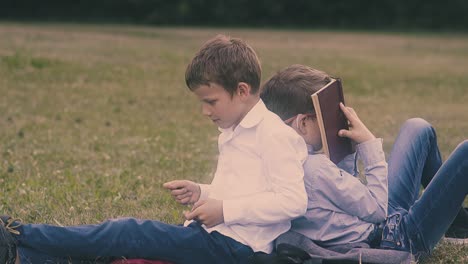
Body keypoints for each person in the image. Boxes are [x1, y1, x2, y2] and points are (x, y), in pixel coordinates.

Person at [0, 35, 309, 264]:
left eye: (210, 101)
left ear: (241, 90)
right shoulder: (234, 130)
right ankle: (23, 257)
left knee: (130, 232)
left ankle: (18, 233)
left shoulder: (274, 135)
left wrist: (225, 210)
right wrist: (201, 192)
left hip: (237, 249)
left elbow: (292, 201)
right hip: (216, 238)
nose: (205, 111)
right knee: (126, 253)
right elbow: (245, 188)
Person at [260, 64, 468, 260]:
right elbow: (378, 209)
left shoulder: (278, 161)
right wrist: (369, 144)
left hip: (377, 224)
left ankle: (456, 226)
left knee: (417, 127)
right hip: (397, 239)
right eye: (325, 116)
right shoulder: (315, 170)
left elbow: (347, 198)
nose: (333, 122)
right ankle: (456, 225)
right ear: (303, 123)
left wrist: (345, 151)